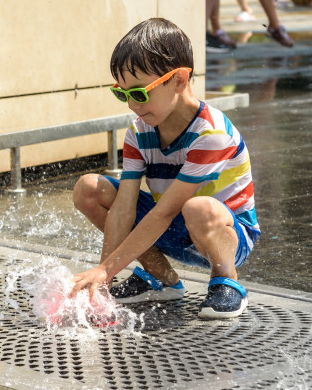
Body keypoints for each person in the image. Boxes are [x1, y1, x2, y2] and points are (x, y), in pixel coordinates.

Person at [69, 18, 260, 319]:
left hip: (223, 233)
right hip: (172, 226)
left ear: (179, 80)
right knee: (90, 189)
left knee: (198, 208)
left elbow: (166, 211)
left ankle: (227, 281)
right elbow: (123, 208)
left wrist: (105, 270)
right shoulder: (139, 132)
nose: (132, 104)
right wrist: (102, 281)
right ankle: (162, 279)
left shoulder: (212, 134)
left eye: (140, 93)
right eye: (123, 93)